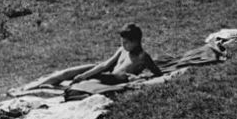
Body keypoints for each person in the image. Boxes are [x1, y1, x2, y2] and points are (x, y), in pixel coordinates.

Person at [33, 24, 162, 88]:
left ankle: (65, 85)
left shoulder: (143, 57)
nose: (123, 45)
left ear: (135, 41)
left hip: (114, 79)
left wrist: (141, 79)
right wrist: (85, 74)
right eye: (121, 42)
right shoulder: (122, 50)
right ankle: (32, 88)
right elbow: (105, 65)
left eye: (126, 42)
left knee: (81, 83)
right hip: (106, 72)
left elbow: (158, 74)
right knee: (66, 73)